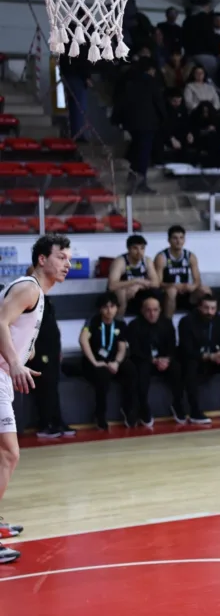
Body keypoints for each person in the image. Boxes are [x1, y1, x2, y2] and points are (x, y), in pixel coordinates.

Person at [0, 234, 72, 564]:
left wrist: (22, 353)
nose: (67, 263)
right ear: (42, 259)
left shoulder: (38, 295)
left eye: (69, 258)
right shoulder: (28, 287)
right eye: (61, 257)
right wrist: (15, 362)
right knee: (8, 454)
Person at [125, 296, 190, 426]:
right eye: (148, 310)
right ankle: (143, 407)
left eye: (155, 310)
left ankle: (177, 404)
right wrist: (153, 360)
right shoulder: (134, 325)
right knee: (141, 370)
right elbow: (135, 350)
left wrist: (166, 359)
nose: (152, 313)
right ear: (143, 311)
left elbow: (172, 346)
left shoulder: (167, 323)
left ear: (160, 310)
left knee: (177, 367)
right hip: (144, 360)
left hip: (164, 360)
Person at [178, 294, 220, 422]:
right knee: (191, 365)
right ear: (199, 307)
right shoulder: (187, 321)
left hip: (213, 360)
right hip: (195, 360)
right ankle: (195, 411)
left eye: (213, 308)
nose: (210, 312)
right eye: (206, 308)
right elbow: (186, 350)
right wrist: (209, 356)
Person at [78, 293, 132, 431]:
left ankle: (129, 410)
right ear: (100, 309)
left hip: (112, 362)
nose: (109, 310)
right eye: (106, 307)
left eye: (112, 306)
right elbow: (83, 340)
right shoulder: (93, 321)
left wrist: (117, 363)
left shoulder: (120, 323)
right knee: (102, 376)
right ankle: (100, 415)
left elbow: (122, 348)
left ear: (117, 308)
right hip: (94, 362)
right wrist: (95, 362)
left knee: (131, 370)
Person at [31, 292, 71, 439]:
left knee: (53, 387)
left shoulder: (47, 301)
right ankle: (44, 424)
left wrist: (58, 350)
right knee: (44, 388)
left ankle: (57, 421)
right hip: (39, 352)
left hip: (52, 351)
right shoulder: (26, 301)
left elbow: (53, 327)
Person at [154, 225, 213, 317]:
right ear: (169, 240)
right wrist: (174, 286)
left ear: (184, 240)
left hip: (185, 292)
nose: (178, 241)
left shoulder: (190, 256)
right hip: (167, 293)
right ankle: (168, 325)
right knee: (172, 291)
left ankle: (205, 321)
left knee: (205, 290)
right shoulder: (161, 257)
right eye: (175, 238)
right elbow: (157, 283)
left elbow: (197, 280)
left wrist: (193, 286)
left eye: (181, 238)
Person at [107, 234, 161, 315]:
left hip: (138, 292)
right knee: (121, 293)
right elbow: (111, 286)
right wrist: (135, 281)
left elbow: (156, 283)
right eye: (135, 248)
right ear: (128, 249)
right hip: (124, 293)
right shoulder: (120, 261)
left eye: (142, 248)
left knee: (156, 293)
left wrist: (138, 286)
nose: (139, 252)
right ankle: (119, 322)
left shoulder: (147, 261)